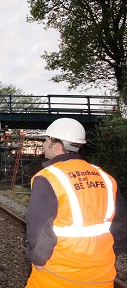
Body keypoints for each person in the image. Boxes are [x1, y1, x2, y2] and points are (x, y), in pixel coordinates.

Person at [25, 118, 127, 288]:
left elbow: (39, 226)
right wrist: (107, 253)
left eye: (46, 140)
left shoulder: (48, 178)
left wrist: (38, 258)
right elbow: (122, 225)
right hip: (102, 275)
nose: (43, 144)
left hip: (58, 274)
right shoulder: (105, 177)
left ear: (56, 145)